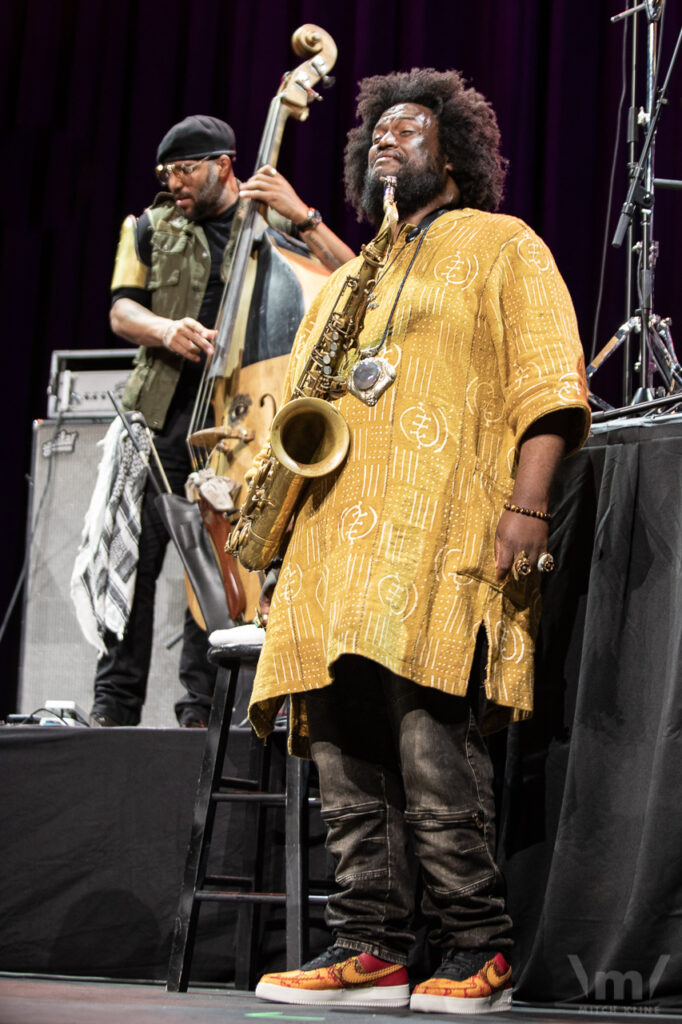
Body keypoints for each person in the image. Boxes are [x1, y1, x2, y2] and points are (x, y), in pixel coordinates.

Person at [243, 70, 591, 1013]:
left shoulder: (502, 244)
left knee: (427, 739)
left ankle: (478, 947)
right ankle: (370, 946)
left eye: (412, 127)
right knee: (342, 755)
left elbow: (548, 380)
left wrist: (528, 507)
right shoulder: (350, 278)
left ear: (458, 151)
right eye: (378, 131)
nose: (389, 139)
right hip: (329, 550)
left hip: (438, 535)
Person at [89, 114, 354, 729]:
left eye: (186, 169)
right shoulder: (149, 227)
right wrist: (164, 328)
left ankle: (200, 712)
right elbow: (121, 309)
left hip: (241, 420)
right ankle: (113, 709)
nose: (175, 181)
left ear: (225, 163)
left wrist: (303, 212)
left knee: (215, 566)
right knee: (137, 559)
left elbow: (348, 276)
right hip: (160, 416)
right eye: (168, 172)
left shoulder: (271, 218)